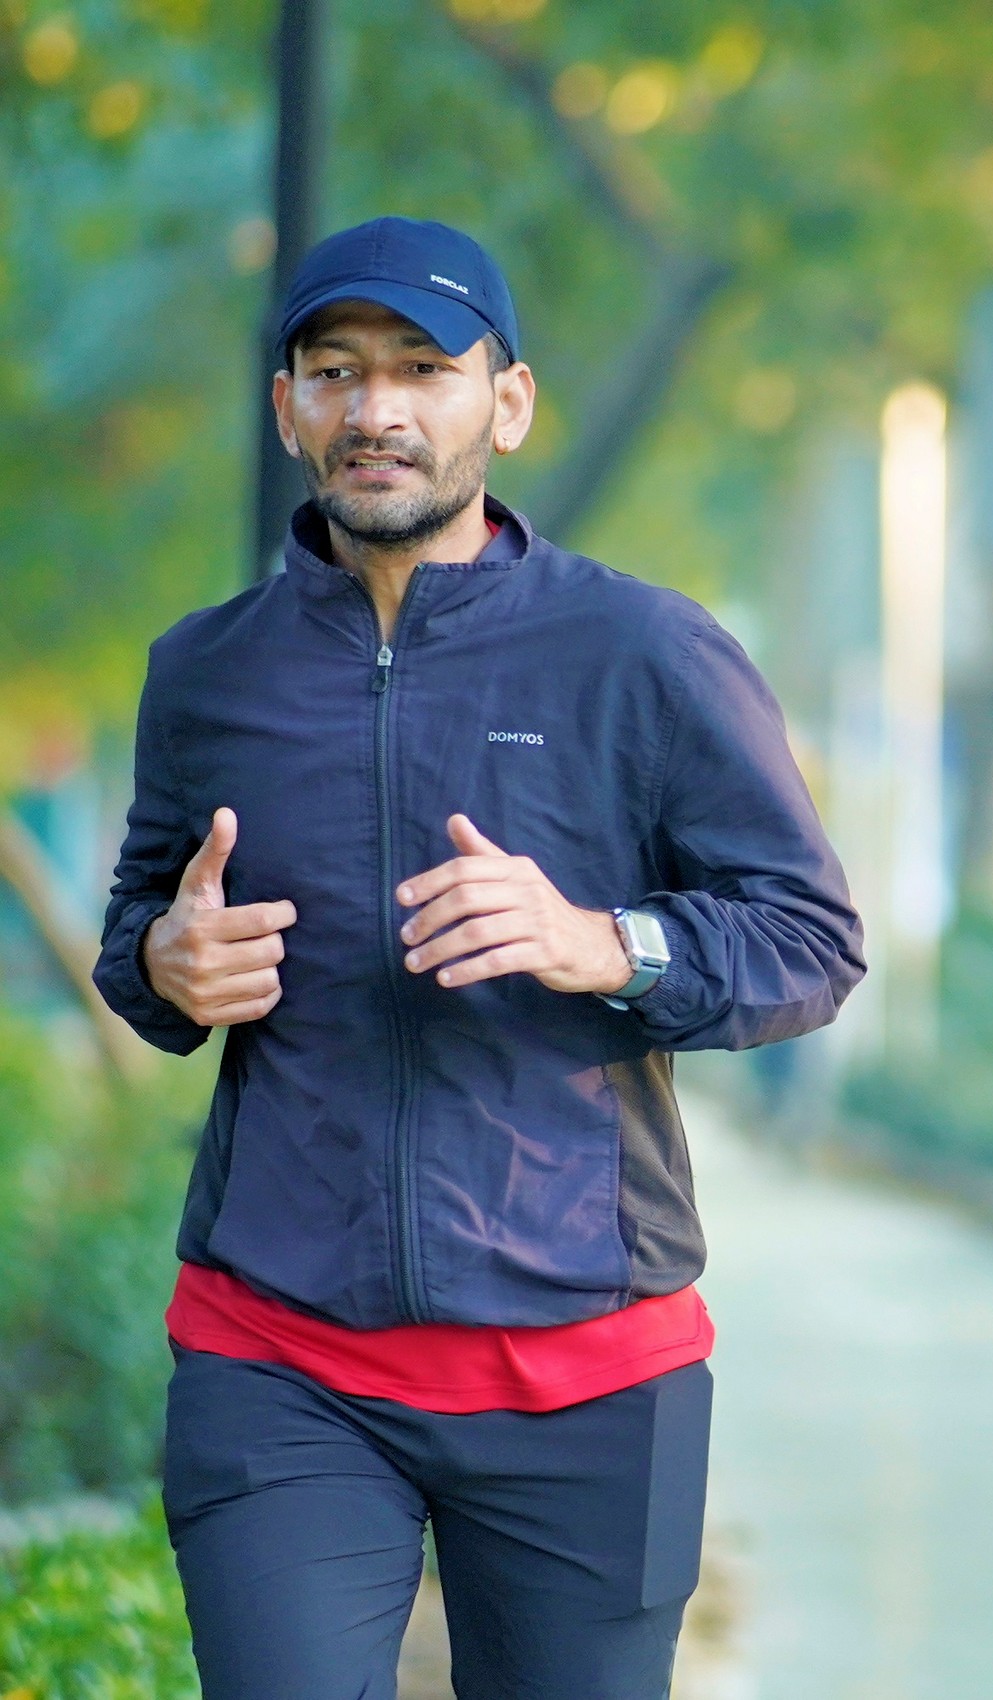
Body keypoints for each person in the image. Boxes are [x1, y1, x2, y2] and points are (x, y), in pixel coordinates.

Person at [94, 216, 864, 1699]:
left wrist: (602, 941)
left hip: (588, 1369)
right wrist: (167, 963)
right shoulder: (207, 670)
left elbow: (810, 939)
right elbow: (145, 930)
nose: (374, 408)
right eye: (335, 371)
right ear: (287, 408)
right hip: (282, 1358)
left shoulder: (642, 653)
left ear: (505, 405)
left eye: (422, 369)